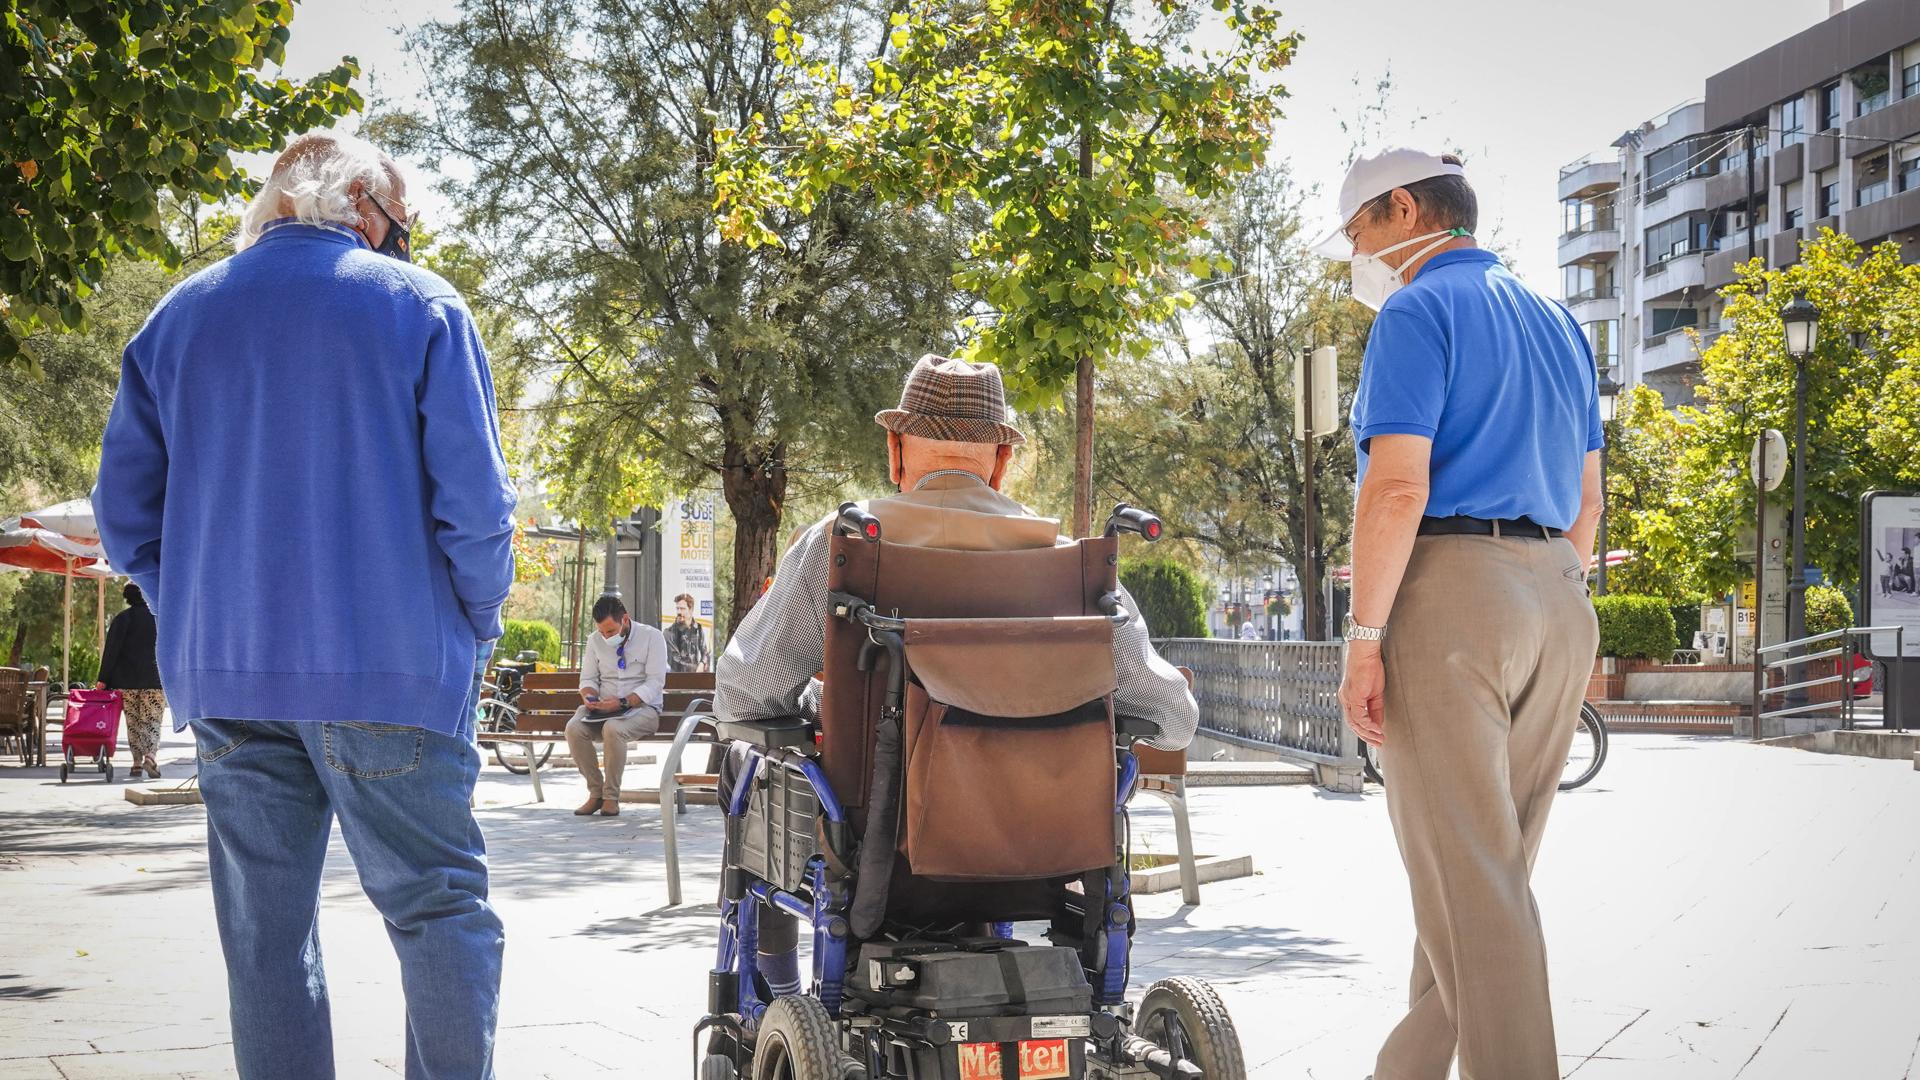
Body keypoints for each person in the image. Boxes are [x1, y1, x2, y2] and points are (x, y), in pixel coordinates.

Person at [95, 132, 516, 1080]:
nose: (399, 248)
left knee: (265, 942)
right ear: (361, 202)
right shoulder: (421, 308)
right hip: (396, 669)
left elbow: (124, 519)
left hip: (230, 683)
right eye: (399, 229)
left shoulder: (176, 318)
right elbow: (478, 512)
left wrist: (195, 615)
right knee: (441, 911)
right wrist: (476, 625)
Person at [714, 354, 1199, 1000]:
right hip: (1046, 853)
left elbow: (742, 692)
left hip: (881, 857)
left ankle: (770, 987)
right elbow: (1175, 717)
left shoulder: (846, 547)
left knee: (743, 763)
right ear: (1001, 460)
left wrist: (818, 701)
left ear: (895, 450)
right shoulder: (1070, 568)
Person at [1316, 148, 1603, 1080]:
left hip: (1451, 598)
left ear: (1403, 209)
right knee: (1482, 880)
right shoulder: (1560, 322)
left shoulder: (1417, 308)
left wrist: (1364, 641)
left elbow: (1396, 489)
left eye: (1359, 230)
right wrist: (1542, 588)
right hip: (1557, 595)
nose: (1356, 253)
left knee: (1472, 888)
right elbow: (1589, 501)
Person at [565, 594, 669, 817]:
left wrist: (622, 702)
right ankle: (596, 793)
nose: (605, 636)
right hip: (603, 709)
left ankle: (611, 798)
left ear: (625, 619)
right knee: (573, 729)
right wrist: (590, 698)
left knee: (613, 728)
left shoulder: (652, 637)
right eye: (601, 632)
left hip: (643, 709)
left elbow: (655, 683)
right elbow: (588, 679)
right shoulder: (594, 641)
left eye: (610, 631)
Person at [95, 582, 166, 779]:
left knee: (133, 722)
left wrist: (103, 680)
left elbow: (111, 652)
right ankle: (150, 756)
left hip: (125, 681)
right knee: (152, 720)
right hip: (154, 679)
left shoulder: (121, 619)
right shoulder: (159, 619)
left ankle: (136, 763)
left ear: (128, 597)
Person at [664, 592, 711, 672]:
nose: (679, 612)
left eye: (682, 608)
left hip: (696, 680)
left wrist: (703, 663)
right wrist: (697, 669)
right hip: (677, 680)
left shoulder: (698, 628)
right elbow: (675, 661)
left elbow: (705, 652)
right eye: (677, 608)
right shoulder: (668, 633)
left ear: (691, 610)